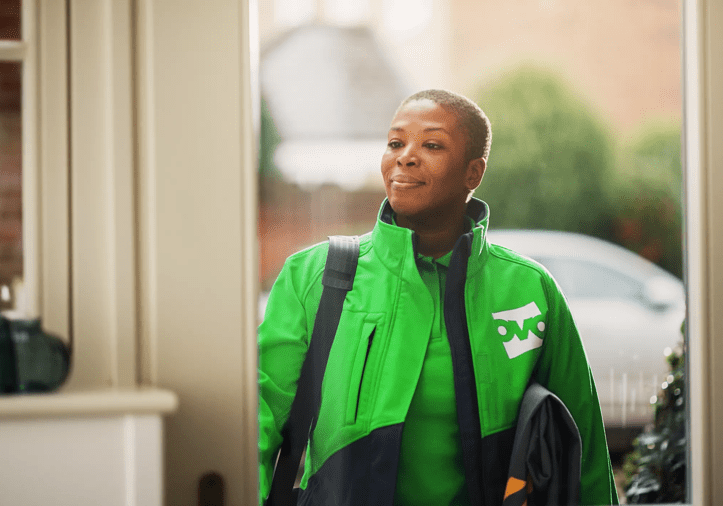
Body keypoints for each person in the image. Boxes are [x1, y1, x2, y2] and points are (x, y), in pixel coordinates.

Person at [258, 89, 619, 505]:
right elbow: (258, 420)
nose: (405, 157)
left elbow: (583, 450)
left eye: (431, 145)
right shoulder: (314, 276)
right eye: (396, 142)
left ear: (473, 173)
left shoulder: (530, 289)